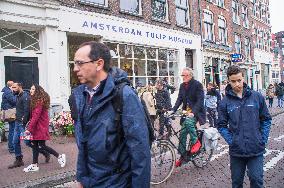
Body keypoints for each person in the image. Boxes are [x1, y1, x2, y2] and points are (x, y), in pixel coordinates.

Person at [72, 41, 151, 187]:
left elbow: (140, 153)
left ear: (99, 64)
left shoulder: (124, 96)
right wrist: (82, 178)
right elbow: (83, 144)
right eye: (74, 63)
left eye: (80, 63)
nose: (75, 69)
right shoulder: (80, 96)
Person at [217, 65, 272, 188]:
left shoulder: (257, 97)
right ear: (228, 81)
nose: (237, 84)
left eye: (239, 80)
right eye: (233, 81)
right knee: (236, 183)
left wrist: (262, 138)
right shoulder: (224, 102)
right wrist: (232, 141)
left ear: (243, 78)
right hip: (237, 151)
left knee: (256, 180)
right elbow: (221, 125)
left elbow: (266, 119)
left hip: (256, 149)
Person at [23, 84, 66, 172]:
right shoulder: (35, 100)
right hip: (37, 127)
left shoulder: (39, 101)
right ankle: (34, 165)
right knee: (35, 145)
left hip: (40, 127)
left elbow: (36, 116)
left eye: (33, 89)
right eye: (31, 89)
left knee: (42, 145)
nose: (30, 90)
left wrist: (28, 129)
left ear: (37, 91)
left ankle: (60, 156)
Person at [172, 67, 206, 167]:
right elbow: (179, 99)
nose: (183, 77)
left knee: (188, 122)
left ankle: (196, 142)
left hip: (196, 113)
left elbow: (200, 100)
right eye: (182, 75)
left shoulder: (197, 84)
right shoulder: (182, 86)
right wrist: (172, 110)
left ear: (190, 75)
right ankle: (183, 156)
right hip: (186, 113)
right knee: (182, 133)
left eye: (186, 75)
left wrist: (193, 112)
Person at [1, 81, 17, 153]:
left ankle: (11, 146)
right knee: (12, 130)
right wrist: (16, 95)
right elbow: (13, 101)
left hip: (8, 112)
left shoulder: (6, 91)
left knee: (12, 129)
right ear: (11, 86)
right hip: (10, 113)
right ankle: (11, 147)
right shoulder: (9, 92)